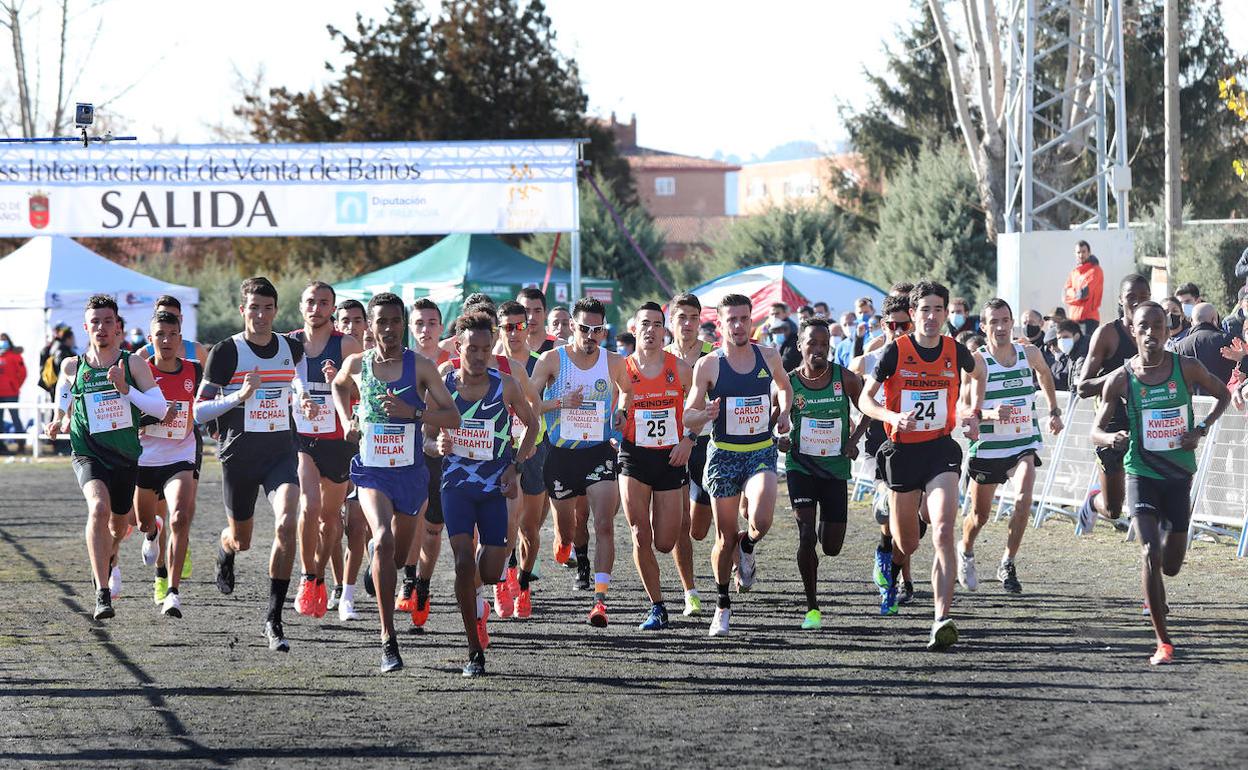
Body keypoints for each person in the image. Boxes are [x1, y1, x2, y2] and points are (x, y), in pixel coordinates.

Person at [1091, 302, 1229, 666]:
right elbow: (1095, 430)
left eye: (1158, 326)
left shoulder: (1187, 367)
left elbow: (1224, 395)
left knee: (1171, 566)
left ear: (1169, 331)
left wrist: (1201, 429)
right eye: (1143, 326)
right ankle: (1163, 642)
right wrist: (1110, 440)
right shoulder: (1121, 378)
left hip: (1179, 476)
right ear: (1133, 331)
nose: (1151, 332)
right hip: (1141, 473)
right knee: (1149, 551)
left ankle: (1159, 592)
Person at [332, 292, 459, 672]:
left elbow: (452, 416)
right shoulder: (358, 363)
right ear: (370, 326)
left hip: (411, 472)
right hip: (372, 470)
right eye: (380, 322)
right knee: (384, 540)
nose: (388, 328)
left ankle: (382, 562)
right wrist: (347, 419)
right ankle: (388, 639)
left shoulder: (420, 366)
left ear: (403, 325)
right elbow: (340, 385)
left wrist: (414, 412)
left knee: (401, 554)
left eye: (394, 321)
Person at [194, 277, 319, 652]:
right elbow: (199, 410)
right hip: (239, 457)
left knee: (286, 522)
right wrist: (240, 395)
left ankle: (273, 619)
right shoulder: (226, 351)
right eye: (254, 308)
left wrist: (304, 397)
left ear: (275, 311)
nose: (261, 315)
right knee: (243, 539)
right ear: (242, 310)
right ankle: (226, 548)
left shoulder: (291, 348)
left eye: (267, 308)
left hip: (281, 452)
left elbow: (294, 381)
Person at [857, 281, 981, 650]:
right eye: (924, 310)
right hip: (901, 454)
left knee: (943, 530)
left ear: (946, 314)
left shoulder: (955, 351)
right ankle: (892, 564)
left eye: (938, 310)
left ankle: (941, 618)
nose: (931, 317)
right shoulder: (895, 352)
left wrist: (974, 410)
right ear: (913, 315)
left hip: (940, 450)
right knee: (907, 542)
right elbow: (865, 399)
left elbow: (979, 373)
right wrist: (891, 416)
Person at [46, 295, 170, 620]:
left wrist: (126, 389)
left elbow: (161, 409)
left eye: (107, 321)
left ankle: (135, 536)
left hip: (126, 456)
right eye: (95, 322)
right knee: (97, 508)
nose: (101, 327)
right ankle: (102, 593)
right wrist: (59, 419)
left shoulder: (133, 364)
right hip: (88, 451)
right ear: (86, 327)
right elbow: (64, 392)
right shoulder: (73, 365)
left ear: (118, 327)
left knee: (118, 527)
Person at [432, 311, 535, 676]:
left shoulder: (505, 384)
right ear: (457, 347)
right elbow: (427, 432)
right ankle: (474, 651)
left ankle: (477, 594)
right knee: (462, 562)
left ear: (493, 348)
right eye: (471, 349)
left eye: (484, 349)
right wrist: (438, 442)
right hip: (456, 485)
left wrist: (516, 466)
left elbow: (533, 423)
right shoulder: (443, 383)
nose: (477, 356)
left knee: (490, 572)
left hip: (495, 486)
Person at [684, 293, 793, 637]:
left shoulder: (769, 355)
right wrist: (705, 414)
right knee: (723, 537)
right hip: (723, 456)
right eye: (731, 319)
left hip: (760, 450)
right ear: (720, 323)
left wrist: (785, 413)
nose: (738, 325)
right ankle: (722, 604)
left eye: (744, 318)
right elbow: (688, 414)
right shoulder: (709, 365)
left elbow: (785, 388)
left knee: (761, 520)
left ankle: (749, 546)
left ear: (752, 320)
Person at [528, 297, 624, 626]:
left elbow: (628, 393)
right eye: (584, 328)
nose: (590, 335)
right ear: (572, 326)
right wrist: (558, 402)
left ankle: (600, 600)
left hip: (598, 453)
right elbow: (527, 406)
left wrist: (622, 411)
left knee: (604, 524)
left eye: (597, 330)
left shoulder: (613, 362)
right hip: (561, 456)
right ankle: (569, 546)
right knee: (569, 528)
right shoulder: (552, 360)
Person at [959, 299, 1063, 595]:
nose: (1001, 327)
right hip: (989, 447)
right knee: (980, 516)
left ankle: (1007, 561)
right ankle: (965, 550)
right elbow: (963, 408)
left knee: (1022, 500)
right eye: (994, 322)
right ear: (983, 326)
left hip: (1022, 442)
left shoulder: (1027, 353)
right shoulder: (976, 362)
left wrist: (1054, 411)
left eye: (1005, 320)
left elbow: (1044, 373)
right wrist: (989, 415)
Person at [779, 318, 866, 629]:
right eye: (812, 344)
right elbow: (776, 422)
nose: (818, 350)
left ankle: (815, 539)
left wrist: (854, 442)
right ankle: (812, 607)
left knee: (831, 545)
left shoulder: (845, 378)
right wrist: (781, 439)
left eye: (824, 345)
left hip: (834, 469)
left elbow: (870, 406)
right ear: (800, 346)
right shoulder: (789, 382)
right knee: (805, 536)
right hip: (800, 466)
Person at [616, 302, 693, 630]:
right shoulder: (621, 369)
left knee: (665, 541)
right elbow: (611, 410)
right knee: (639, 534)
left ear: (665, 331)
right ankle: (657, 606)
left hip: (670, 458)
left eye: (657, 324)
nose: (651, 330)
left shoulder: (682, 369)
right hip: (634, 456)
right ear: (635, 330)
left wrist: (688, 439)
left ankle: (669, 593)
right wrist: (614, 422)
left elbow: (697, 408)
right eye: (644, 324)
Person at [289, 282, 363, 620]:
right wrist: (298, 399)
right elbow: (278, 384)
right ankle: (307, 577)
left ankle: (319, 576)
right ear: (300, 305)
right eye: (310, 302)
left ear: (332, 308)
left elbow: (365, 393)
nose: (315, 308)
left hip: (337, 441)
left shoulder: (346, 344)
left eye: (323, 303)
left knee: (329, 519)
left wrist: (340, 383)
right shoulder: (287, 344)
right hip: (301, 438)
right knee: (310, 506)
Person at [850, 293, 920, 611]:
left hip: (919, 446)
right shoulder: (867, 362)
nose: (899, 331)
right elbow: (860, 404)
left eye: (905, 325)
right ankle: (892, 581)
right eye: (893, 326)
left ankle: (888, 563)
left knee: (916, 524)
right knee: (890, 516)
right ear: (883, 325)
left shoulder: (925, 356)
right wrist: (851, 438)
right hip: (881, 447)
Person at [134, 311, 202, 617]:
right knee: (145, 522)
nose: (167, 341)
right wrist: (152, 417)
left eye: (173, 334)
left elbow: (212, 398)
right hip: (145, 457)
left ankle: (173, 591)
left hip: (180, 454)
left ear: (180, 338)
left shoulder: (194, 370)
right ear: (151, 340)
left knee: (180, 517)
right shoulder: (140, 371)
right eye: (160, 335)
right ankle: (152, 533)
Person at [1076, 274, 1151, 532]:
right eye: (1131, 297)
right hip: (1112, 427)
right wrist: (1121, 374)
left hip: (1146, 423)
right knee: (1113, 509)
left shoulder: (1155, 332)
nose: (1138, 302)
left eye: (1144, 297)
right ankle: (1091, 503)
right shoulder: (1107, 334)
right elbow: (1082, 387)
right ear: (1121, 300)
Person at [398, 297, 452, 630]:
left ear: (441, 327)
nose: (425, 329)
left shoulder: (454, 364)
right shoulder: (398, 362)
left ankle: (423, 585)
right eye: (419, 323)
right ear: (409, 328)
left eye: (431, 323)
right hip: (403, 454)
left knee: (433, 528)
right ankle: (406, 577)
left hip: (441, 453)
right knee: (408, 521)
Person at [498, 300, 551, 619]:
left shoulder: (537, 364)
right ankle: (501, 582)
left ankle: (524, 583)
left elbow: (538, 406)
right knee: (508, 522)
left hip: (535, 449)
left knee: (530, 529)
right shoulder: (490, 364)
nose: (514, 332)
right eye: (507, 327)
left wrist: (529, 428)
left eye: (520, 326)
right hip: (501, 452)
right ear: (499, 330)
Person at [665, 293, 715, 615]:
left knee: (699, 530)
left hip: (707, 447)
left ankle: (737, 549)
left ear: (700, 320)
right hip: (669, 447)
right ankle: (690, 592)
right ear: (671, 321)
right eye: (680, 317)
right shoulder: (660, 357)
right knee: (679, 525)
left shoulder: (714, 356)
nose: (686, 323)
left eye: (692, 317)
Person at [326, 298, 370, 617]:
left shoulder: (373, 360)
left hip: (365, 450)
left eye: (357, 320)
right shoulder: (325, 357)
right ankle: (339, 583)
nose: (351, 326)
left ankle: (348, 593)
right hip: (330, 450)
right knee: (330, 524)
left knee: (356, 525)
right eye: (345, 320)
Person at [1173, 303, 1234, 390]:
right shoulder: (1230, 340)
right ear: (1214, 320)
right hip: (1224, 398)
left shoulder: (1179, 346)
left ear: (1192, 321)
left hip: (1192, 399)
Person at [137, 295, 209, 364]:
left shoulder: (197, 350)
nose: (169, 320)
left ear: (181, 318)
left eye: (174, 316)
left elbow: (210, 375)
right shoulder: (143, 355)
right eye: (163, 315)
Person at [1063, 239, 1104, 337]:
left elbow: (1083, 294)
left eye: (1084, 252)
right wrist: (1075, 294)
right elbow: (1064, 295)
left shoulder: (1095, 270)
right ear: (1075, 254)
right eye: (1078, 252)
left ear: (1089, 253)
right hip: (1073, 319)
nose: (1081, 255)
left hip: (1089, 319)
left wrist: (1071, 295)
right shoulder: (1074, 272)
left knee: (1087, 348)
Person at [0, 333, 27, 451]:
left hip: (12, 393)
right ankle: (1, 445)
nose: (3, 342)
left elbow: (23, 373)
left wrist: (15, 385)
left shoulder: (15, 355)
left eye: (4, 340)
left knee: (15, 417)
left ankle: (21, 442)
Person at [1049, 320, 1088, 391]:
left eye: (1065, 337)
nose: (1062, 341)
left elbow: (1079, 384)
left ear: (1077, 336)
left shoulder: (1084, 353)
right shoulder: (1071, 354)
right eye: (1059, 338)